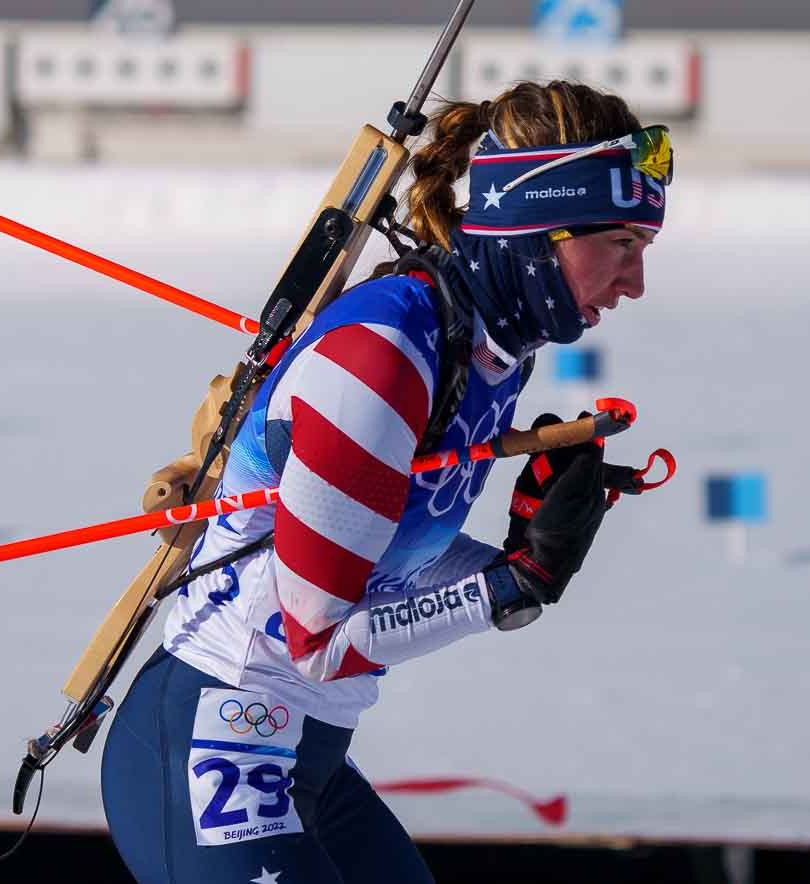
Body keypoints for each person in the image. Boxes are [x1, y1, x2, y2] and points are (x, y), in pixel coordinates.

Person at [100, 81, 669, 883]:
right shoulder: (386, 355)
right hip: (216, 734)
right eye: (621, 245)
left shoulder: (486, 343)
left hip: (305, 757)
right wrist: (507, 587)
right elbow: (321, 642)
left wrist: (518, 561)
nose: (635, 282)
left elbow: (390, 562)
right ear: (539, 230)